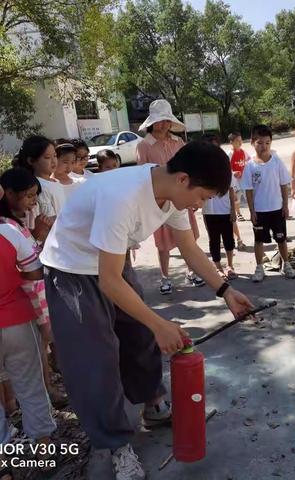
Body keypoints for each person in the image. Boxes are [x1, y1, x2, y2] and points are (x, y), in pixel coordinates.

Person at [40, 141, 253, 479]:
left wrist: (225, 290)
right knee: (96, 359)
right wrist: (160, 324)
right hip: (71, 270)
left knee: (139, 336)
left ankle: (153, 404)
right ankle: (115, 443)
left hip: (110, 262)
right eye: (202, 197)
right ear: (183, 179)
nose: (200, 206)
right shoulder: (122, 196)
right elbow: (110, 283)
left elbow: (188, 247)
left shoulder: (173, 193)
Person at [0, 185, 56, 480]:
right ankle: (43, 453)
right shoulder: (9, 230)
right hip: (16, 320)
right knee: (31, 387)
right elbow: (35, 271)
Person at [0, 168, 65, 408]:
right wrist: (38, 238)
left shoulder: (15, 224)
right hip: (26, 304)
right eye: (28, 196)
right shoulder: (7, 227)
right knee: (34, 356)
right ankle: (41, 396)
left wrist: (37, 235)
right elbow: (28, 268)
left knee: (39, 351)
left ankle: (41, 393)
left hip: (31, 302)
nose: (33, 202)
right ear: (7, 193)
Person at [136, 99, 205, 294]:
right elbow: (143, 175)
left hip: (182, 198)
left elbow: (189, 168)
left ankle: (192, 271)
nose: (163, 124)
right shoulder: (144, 145)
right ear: (151, 122)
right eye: (160, 120)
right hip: (160, 201)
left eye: (167, 120)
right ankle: (165, 277)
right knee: (163, 243)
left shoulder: (178, 142)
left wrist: (194, 197)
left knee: (189, 237)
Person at [242, 124, 295, 282]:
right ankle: (259, 268)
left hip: (277, 209)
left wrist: (285, 206)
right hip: (260, 211)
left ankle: (286, 265)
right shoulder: (250, 166)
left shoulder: (276, 162)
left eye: (267, 143)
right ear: (252, 143)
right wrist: (252, 211)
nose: (263, 146)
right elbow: (248, 190)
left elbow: (283, 184)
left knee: (281, 239)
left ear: (271, 143)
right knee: (259, 240)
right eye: (259, 142)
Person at [202, 134, 238, 280]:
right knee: (214, 240)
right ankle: (218, 267)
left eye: (215, 148)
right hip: (209, 212)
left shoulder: (225, 167)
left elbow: (231, 189)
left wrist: (233, 210)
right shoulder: (200, 170)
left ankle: (230, 266)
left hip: (225, 211)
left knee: (229, 239)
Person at [17, 135, 64, 220]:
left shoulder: (55, 181)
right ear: (31, 160)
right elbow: (48, 218)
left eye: (55, 155)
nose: (53, 161)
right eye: (47, 157)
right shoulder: (39, 186)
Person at [227, 132, 249, 251]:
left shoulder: (243, 152)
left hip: (243, 180)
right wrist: (233, 173)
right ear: (231, 142)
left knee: (244, 197)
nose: (240, 143)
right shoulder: (230, 153)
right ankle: (238, 213)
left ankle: (248, 213)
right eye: (237, 141)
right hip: (234, 182)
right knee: (236, 200)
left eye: (241, 140)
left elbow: (249, 161)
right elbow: (226, 167)